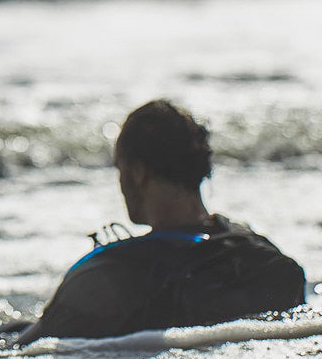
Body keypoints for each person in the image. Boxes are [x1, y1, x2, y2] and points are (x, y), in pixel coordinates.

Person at [15, 100, 304, 345]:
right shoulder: (265, 259)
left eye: (119, 169)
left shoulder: (108, 273)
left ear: (138, 173)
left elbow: (31, 344)